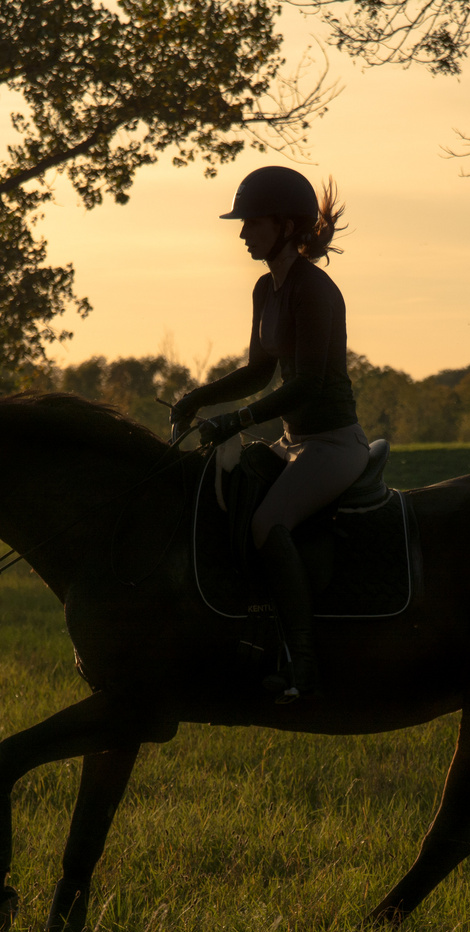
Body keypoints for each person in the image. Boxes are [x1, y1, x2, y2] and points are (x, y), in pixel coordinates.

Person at [170, 165, 369, 704]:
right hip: (292, 442)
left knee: (267, 521)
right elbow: (260, 371)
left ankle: (304, 665)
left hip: (332, 444)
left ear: (285, 224)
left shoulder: (314, 289)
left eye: (251, 223)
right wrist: (198, 397)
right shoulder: (267, 288)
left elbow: (305, 386)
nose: (241, 234)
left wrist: (234, 421)